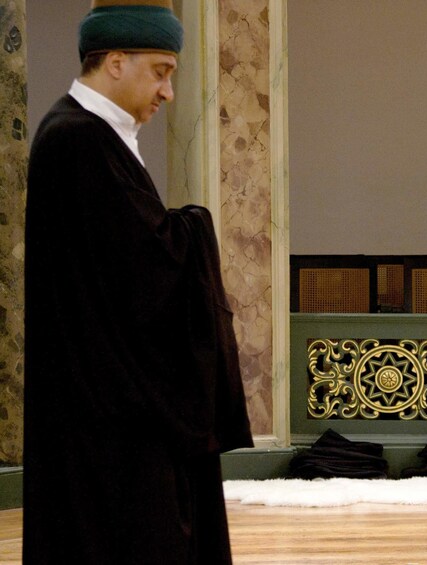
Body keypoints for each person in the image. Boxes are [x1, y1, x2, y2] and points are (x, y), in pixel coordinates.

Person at [23, 1, 254, 562]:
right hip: (107, 418)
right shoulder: (77, 138)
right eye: (161, 71)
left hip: (109, 402)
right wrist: (196, 225)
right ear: (116, 62)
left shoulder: (90, 134)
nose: (168, 92)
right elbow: (146, 269)